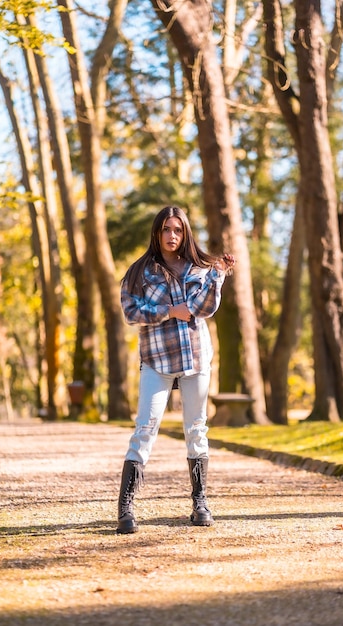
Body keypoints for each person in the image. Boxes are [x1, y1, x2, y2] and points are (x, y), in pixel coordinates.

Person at [117, 205, 235, 534]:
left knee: (196, 429)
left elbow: (205, 307)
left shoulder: (200, 269)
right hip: (157, 358)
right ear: (157, 232)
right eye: (166, 229)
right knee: (145, 428)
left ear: (185, 233)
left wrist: (218, 276)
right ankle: (126, 508)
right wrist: (169, 311)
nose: (172, 235)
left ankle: (200, 501)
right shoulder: (140, 272)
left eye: (178, 230)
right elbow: (130, 310)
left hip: (196, 356)